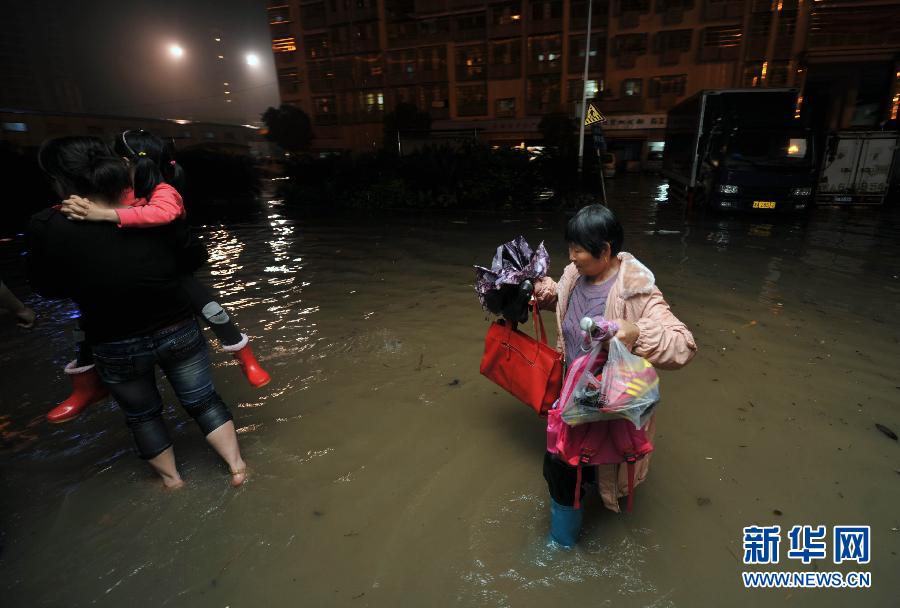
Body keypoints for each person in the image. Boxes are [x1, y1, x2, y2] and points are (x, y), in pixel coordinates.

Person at [28, 135, 247, 488]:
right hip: (177, 327)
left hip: (114, 340)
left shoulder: (47, 225)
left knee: (142, 415)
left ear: (59, 179)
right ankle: (237, 467)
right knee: (203, 400)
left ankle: (172, 481)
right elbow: (192, 257)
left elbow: (47, 287)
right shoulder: (152, 209)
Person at [45, 129, 270, 424]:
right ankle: (86, 386)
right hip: (129, 276)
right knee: (89, 319)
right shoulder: (117, 191)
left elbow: (160, 215)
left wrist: (103, 215)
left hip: (170, 269)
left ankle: (247, 360)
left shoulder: (163, 190)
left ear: (126, 161)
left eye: (115, 159)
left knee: (208, 305)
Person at [534, 204, 696, 544]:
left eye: (578, 249)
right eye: (570, 248)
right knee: (561, 469)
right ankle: (561, 541)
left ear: (605, 250)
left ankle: (562, 545)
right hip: (572, 399)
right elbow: (562, 302)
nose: (572, 256)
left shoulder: (637, 292)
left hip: (608, 407)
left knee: (587, 469)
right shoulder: (575, 275)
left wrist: (637, 332)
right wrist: (538, 290)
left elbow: (683, 346)